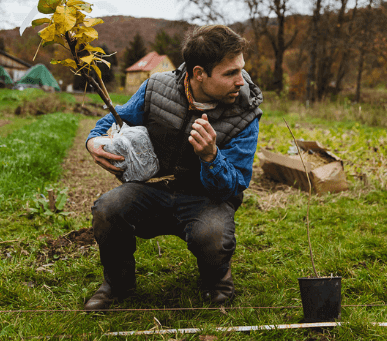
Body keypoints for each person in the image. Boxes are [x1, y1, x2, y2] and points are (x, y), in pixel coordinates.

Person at [84, 25, 263, 310]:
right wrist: (93, 140)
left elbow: (235, 185)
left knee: (213, 234)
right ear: (198, 74)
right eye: (230, 73)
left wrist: (210, 157)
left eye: (241, 69)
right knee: (108, 208)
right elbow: (120, 118)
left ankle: (216, 279)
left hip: (206, 199)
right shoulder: (157, 88)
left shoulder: (245, 110)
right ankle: (117, 285)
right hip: (152, 190)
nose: (241, 80)